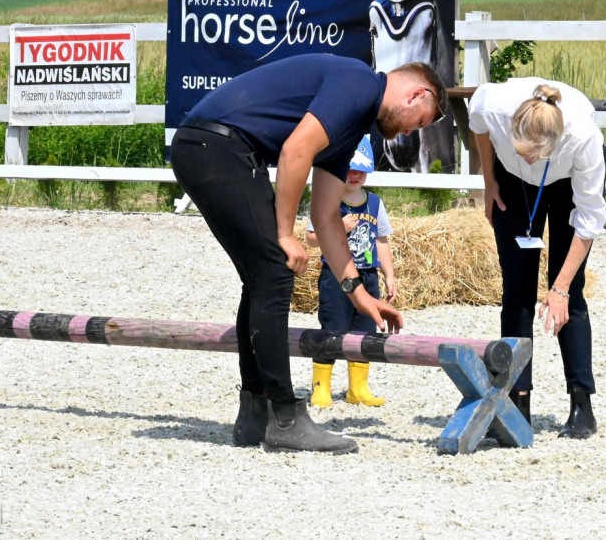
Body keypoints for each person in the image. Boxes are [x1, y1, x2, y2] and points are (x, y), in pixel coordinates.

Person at [170, 53, 447, 454]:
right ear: (417, 93)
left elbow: (326, 215)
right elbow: (295, 151)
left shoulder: (353, 126)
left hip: (208, 147)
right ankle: (283, 416)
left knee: (262, 277)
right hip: (216, 147)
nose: (408, 132)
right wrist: (285, 233)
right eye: (418, 121)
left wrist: (359, 294)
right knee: (274, 273)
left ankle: (257, 414)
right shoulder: (360, 83)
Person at [467, 77, 606, 439]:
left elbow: (589, 222)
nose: (526, 157)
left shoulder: (584, 138)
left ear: (554, 143)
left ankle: (581, 405)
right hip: (513, 184)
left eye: (533, 154)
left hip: (566, 183)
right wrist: (489, 178)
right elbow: (477, 125)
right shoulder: (492, 106)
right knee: (516, 291)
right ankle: (516, 402)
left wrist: (558, 288)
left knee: (569, 296)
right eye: (520, 149)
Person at [304, 135, 397, 408]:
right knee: (333, 327)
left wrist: (389, 275)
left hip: (368, 275)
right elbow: (310, 238)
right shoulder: (326, 201)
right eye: (349, 168)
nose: (355, 174)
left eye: (361, 169)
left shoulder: (376, 204)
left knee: (366, 331)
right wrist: (337, 229)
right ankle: (321, 387)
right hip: (336, 274)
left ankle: (358, 388)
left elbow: (382, 241)